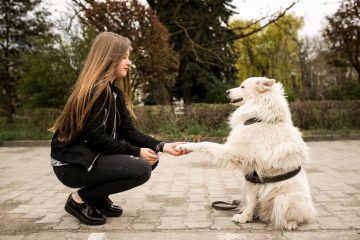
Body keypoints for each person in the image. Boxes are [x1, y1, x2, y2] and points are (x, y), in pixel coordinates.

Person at [49, 32, 188, 225]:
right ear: (109, 57)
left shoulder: (114, 92)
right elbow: (97, 138)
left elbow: (129, 132)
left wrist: (163, 146)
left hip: (90, 158)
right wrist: (136, 152)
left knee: (150, 160)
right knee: (141, 167)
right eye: (124, 57)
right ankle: (80, 199)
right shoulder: (94, 91)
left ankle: (97, 197)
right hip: (70, 164)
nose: (129, 62)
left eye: (128, 57)